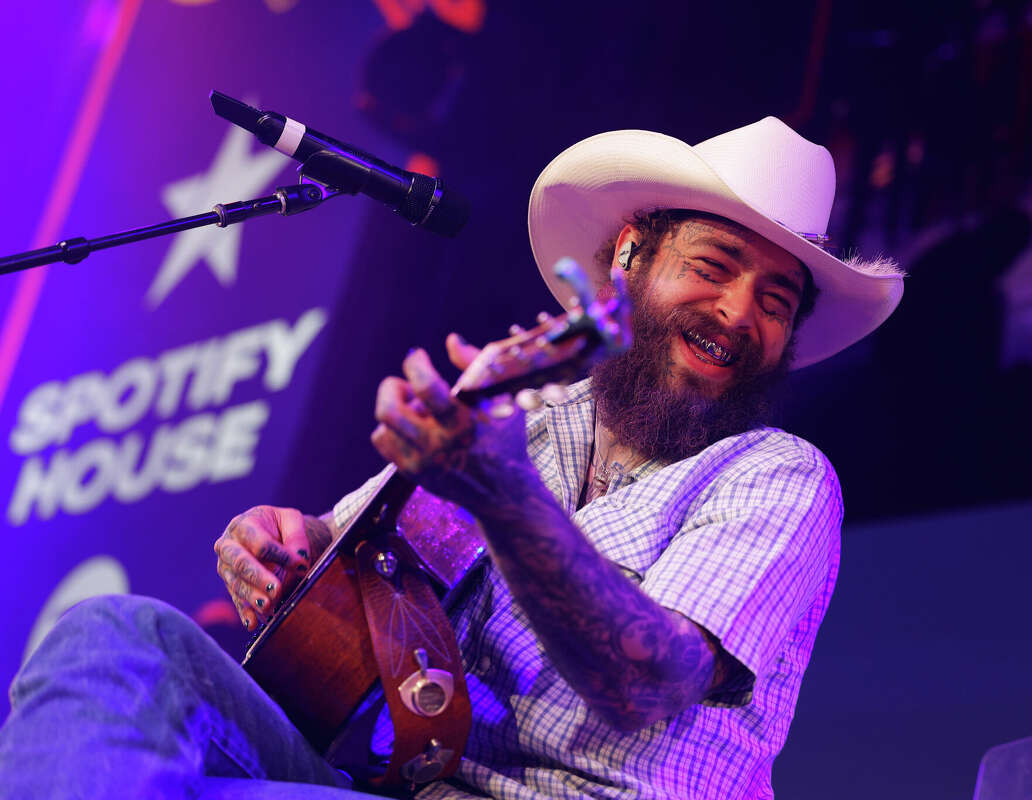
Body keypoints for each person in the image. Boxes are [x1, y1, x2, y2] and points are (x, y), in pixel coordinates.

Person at [0, 117, 903, 799]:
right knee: (116, 638)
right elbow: (336, 555)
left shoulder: (775, 475)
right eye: (713, 265)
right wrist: (279, 542)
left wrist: (507, 496)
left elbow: (647, 681)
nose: (741, 312)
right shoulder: (524, 421)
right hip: (388, 785)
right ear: (627, 260)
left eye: (776, 299)